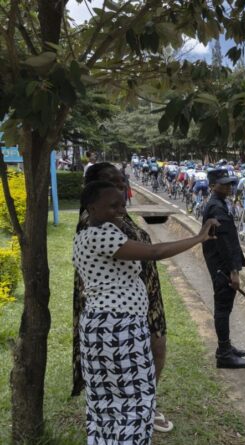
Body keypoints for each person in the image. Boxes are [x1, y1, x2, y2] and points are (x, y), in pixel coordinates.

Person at [74, 180, 217, 444]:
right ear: (91, 207)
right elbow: (155, 251)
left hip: (102, 327)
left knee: (105, 403)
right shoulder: (102, 235)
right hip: (119, 330)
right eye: (112, 205)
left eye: (122, 204)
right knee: (135, 401)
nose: (120, 210)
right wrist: (198, 237)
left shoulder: (85, 235)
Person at [72, 163, 175, 433]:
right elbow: (152, 252)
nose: (119, 188)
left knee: (152, 353)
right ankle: (134, 417)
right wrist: (199, 237)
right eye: (111, 183)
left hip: (140, 298)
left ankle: (139, 412)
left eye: (121, 182)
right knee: (125, 378)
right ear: (94, 193)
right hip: (117, 313)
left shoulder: (115, 216)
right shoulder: (95, 225)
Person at [202, 169, 245, 368]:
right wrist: (234, 271)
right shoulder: (217, 207)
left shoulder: (219, 203)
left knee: (226, 307)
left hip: (221, 263)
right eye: (223, 184)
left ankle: (226, 346)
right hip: (222, 265)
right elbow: (225, 242)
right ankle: (223, 354)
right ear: (213, 185)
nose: (228, 187)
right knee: (222, 308)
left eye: (229, 183)